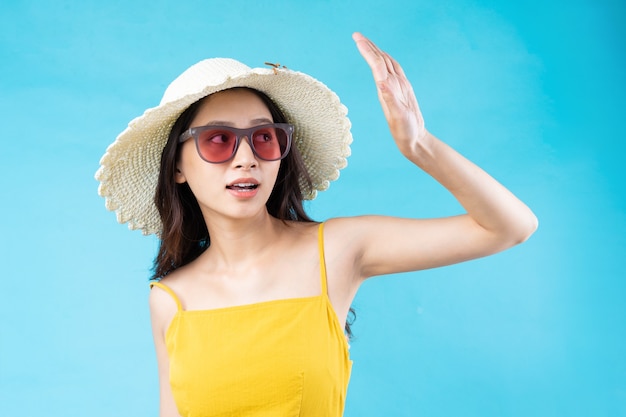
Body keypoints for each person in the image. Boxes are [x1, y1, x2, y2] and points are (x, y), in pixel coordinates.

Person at [96, 32, 537, 417]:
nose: (246, 157)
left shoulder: (337, 250)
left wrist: (418, 145)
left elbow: (509, 226)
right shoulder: (171, 299)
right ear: (177, 166)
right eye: (219, 140)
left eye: (263, 138)